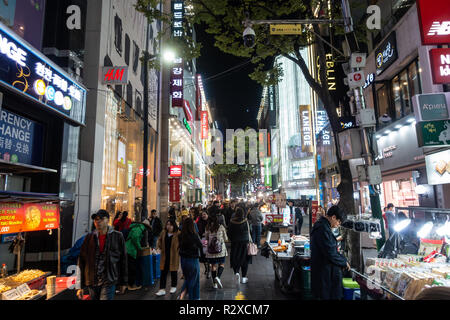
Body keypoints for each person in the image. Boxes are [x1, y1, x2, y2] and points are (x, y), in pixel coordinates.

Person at [77, 210, 128, 300]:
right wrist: (79, 285)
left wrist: (123, 282)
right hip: (92, 281)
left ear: (107, 220)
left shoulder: (117, 236)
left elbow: (123, 260)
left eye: (101, 219)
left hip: (108, 280)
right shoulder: (89, 238)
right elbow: (81, 261)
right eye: (96, 219)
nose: (98, 221)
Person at [310, 206, 350, 300]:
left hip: (325, 271)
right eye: (339, 222)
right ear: (333, 217)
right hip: (324, 273)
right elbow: (330, 253)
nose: (338, 225)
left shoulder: (323, 226)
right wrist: (344, 262)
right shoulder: (322, 228)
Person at [178, 218, 202, 300]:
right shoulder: (194, 235)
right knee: (193, 280)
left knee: (188, 278)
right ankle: (183, 296)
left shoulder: (180, 235)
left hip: (183, 260)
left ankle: (195, 297)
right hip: (193, 260)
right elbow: (200, 245)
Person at [155, 220, 180, 296]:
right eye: (167, 224)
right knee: (163, 272)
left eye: (170, 225)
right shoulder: (164, 232)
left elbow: (181, 244)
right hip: (164, 255)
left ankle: (173, 286)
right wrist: (159, 247)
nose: (168, 226)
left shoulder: (178, 234)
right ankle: (162, 289)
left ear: (174, 226)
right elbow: (159, 240)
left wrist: (179, 251)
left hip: (174, 256)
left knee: (173, 271)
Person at [125, 219, 151, 291]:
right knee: (132, 268)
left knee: (130, 268)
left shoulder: (138, 227)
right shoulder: (140, 228)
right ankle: (131, 285)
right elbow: (135, 237)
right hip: (130, 250)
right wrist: (139, 247)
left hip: (128, 249)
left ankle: (128, 284)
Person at [228, 207, 252, 284]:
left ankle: (237, 273)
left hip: (235, 243)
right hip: (244, 242)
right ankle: (244, 277)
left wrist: (231, 239)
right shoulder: (245, 221)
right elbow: (249, 231)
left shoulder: (232, 222)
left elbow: (229, 232)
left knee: (235, 258)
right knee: (244, 260)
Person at [205, 213, 228, 289]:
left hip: (211, 251)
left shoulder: (208, 227)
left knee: (213, 266)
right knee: (221, 264)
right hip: (220, 250)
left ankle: (214, 284)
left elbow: (206, 238)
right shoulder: (221, 227)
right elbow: (225, 238)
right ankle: (218, 277)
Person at [196, 209, 210, 279]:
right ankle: (207, 268)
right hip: (203, 240)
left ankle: (209, 270)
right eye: (202, 214)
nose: (203, 216)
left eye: (205, 214)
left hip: (210, 240)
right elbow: (197, 231)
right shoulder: (199, 222)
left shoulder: (210, 222)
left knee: (209, 255)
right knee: (204, 256)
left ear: (207, 215)